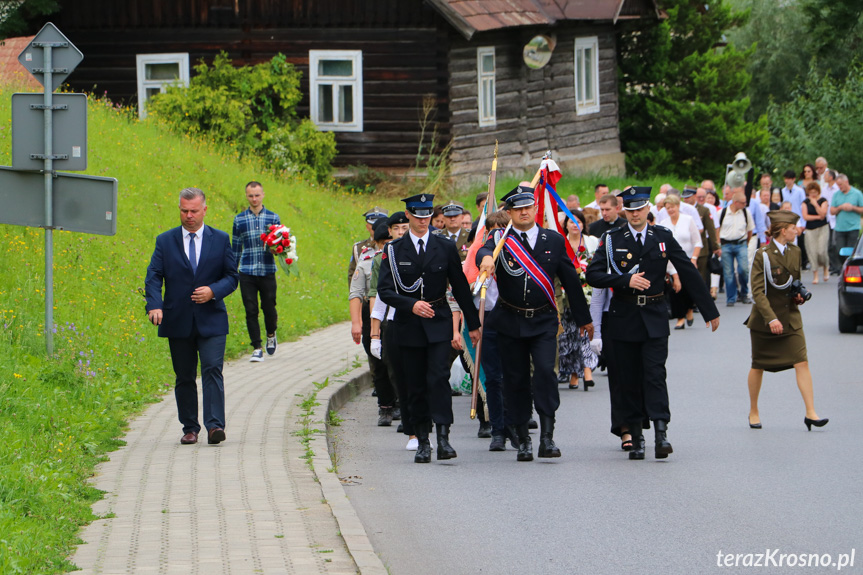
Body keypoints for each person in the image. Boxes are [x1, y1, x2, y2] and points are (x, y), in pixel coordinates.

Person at [586, 186, 720, 460]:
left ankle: (661, 432)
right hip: (624, 318)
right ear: (625, 211)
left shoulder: (662, 237)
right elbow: (593, 274)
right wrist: (625, 280)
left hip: (655, 316)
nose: (635, 214)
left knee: (655, 375)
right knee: (629, 378)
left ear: (648, 210)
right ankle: (636, 437)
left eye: (640, 209)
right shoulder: (612, 239)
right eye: (630, 210)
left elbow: (686, 269)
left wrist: (708, 309)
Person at [477, 185, 593, 462]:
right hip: (510, 320)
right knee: (515, 380)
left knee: (544, 374)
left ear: (535, 208)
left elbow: (570, 280)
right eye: (518, 208)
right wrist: (485, 260)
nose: (524, 212)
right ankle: (523, 438)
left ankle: (547, 436)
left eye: (528, 207)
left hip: (542, 320)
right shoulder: (500, 238)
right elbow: (485, 248)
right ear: (510, 212)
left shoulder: (552, 239)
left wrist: (584, 319)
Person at [377, 193, 481, 464]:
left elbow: (459, 286)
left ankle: (444, 438)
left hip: (438, 321)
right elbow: (385, 291)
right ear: (408, 216)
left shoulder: (444, 246)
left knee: (437, 378)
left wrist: (474, 325)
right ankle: (423, 439)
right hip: (409, 325)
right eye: (417, 215)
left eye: (427, 216)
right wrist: (411, 305)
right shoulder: (393, 250)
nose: (423, 221)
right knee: (415, 383)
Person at [145, 187, 239, 445]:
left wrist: (213, 291)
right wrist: (155, 305)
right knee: (185, 375)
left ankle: (214, 426)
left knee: (212, 369)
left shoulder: (220, 239)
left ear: (204, 210)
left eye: (194, 211)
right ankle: (190, 428)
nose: (189, 216)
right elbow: (154, 276)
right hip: (178, 320)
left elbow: (232, 277)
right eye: (184, 211)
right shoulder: (165, 241)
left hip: (212, 319)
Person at [746, 210, 828, 431]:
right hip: (765, 320)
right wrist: (771, 318)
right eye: (794, 228)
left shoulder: (795, 251)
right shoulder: (762, 255)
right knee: (758, 365)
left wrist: (798, 297)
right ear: (784, 230)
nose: (797, 230)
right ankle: (753, 410)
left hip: (790, 318)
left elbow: (794, 282)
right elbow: (758, 292)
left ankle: (811, 412)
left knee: (801, 361)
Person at [350, 221, 396, 426]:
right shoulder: (367, 261)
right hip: (373, 317)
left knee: (396, 362)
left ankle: (401, 404)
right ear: (376, 243)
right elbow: (356, 293)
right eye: (383, 242)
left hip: (397, 316)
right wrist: (356, 323)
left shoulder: (402, 258)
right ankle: (385, 406)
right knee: (378, 363)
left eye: (390, 241)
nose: (387, 246)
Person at [231, 181, 281, 362]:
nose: (254, 199)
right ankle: (257, 347)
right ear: (246, 196)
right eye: (250, 195)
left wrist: (278, 250)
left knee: (269, 307)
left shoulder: (273, 218)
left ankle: (270, 334)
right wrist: (232, 271)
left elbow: (281, 245)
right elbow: (235, 247)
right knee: (250, 309)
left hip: (267, 270)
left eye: (257, 195)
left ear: (263, 195)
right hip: (247, 271)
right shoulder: (239, 219)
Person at [557, 210, 599, 390]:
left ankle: (587, 371)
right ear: (565, 224)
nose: (575, 225)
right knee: (569, 336)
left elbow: (597, 266)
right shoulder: (560, 241)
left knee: (584, 332)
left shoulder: (592, 242)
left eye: (579, 222)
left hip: (586, 294)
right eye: (571, 222)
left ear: (583, 224)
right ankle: (574, 373)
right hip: (565, 297)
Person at [658, 195, 702, 329]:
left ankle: (689, 310)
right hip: (671, 262)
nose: (670, 210)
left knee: (688, 288)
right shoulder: (664, 224)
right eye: (667, 208)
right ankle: (680, 317)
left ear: (678, 206)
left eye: (672, 207)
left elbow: (697, 242)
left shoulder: (688, 220)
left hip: (687, 260)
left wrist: (694, 259)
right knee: (675, 289)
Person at [717, 190, 755, 307]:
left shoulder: (745, 212)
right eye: (743, 203)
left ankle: (744, 293)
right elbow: (717, 229)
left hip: (741, 243)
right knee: (728, 272)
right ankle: (731, 297)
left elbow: (750, 229)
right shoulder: (723, 213)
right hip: (726, 244)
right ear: (735, 202)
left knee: (743, 269)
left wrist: (747, 242)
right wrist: (718, 244)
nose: (745, 205)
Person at [348, 207, 388, 285]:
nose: (377, 227)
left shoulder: (393, 245)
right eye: (373, 225)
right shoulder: (359, 248)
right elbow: (352, 275)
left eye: (380, 224)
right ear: (367, 227)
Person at [829, 174, 863, 266]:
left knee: (851, 251)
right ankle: (843, 268)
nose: (839, 187)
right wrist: (840, 207)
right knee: (839, 250)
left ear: (846, 182)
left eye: (840, 184)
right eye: (838, 185)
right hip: (840, 228)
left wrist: (852, 207)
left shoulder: (857, 193)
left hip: (853, 227)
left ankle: (850, 269)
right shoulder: (836, 194)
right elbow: (832, 211)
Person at [801, 182, 830, 284]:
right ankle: (816, 275)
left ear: (818, 192)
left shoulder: (823, 201)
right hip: (810, 229)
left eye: (815, 192)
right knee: (812, 252)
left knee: (821, 251)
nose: (813, 194)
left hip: (822, 228)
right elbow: (805, 216)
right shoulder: (805, 203)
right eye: (811, 192)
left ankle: (826, 267)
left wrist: (815, 204)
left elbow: (823, 213)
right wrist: (818, 217)